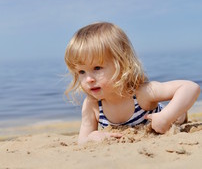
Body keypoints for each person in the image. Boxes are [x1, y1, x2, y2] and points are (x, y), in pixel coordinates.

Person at [64, 22, 200, 144]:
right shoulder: (92, 105)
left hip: (159, 118)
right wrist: (92, 137)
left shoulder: (141, 93)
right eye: (81, 72)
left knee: (177, 115)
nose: (89, 79)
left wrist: (166, 117)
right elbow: (82, 140)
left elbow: (190, 87)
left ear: (121, 65)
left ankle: (179, 113)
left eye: (97, 68)